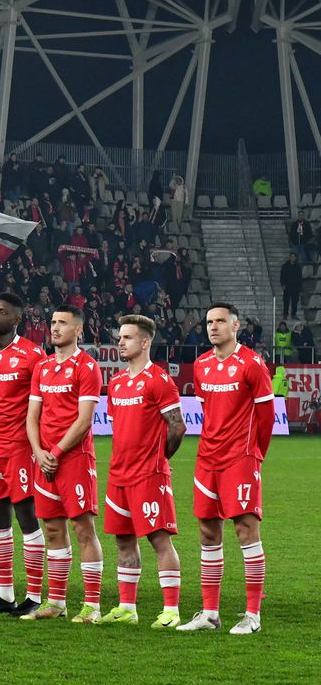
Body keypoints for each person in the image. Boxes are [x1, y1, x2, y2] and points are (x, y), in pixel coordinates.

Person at [178, 303, 274, 635]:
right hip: (207, 459)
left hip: (240, 458)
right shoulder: (202, 364)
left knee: (246, 531)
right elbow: (207, 411)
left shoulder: (252, 364)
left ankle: (253, 615)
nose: (213, 326)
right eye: (209, 321)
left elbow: (266, 418)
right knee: (207, 531)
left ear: (236, 326)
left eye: (220, 321)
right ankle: (209, 613)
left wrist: (254, 455)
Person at [98, 315, 186, 629]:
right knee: (123, 540)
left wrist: (158, 460)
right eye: (120, 337)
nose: (120, 342)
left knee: (160, 540)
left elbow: (177, 426)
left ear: (145, 342)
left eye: (127, 337)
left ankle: (172, 610)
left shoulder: (158, 380)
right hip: (118, 475)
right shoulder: (118, 383)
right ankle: (127, 607)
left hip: (149, 475)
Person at [23, 304, 105, 622]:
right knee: (53, 529)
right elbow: (32, 416)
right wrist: (38, 452)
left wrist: (54, 453)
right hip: (44, 460)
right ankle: (56, 603)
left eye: (62, 323)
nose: (55, 328)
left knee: (83, 529)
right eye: (53, 322)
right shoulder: (42, 368)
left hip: (74, 460)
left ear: (78, 330)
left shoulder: (87, 367)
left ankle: (93, 606)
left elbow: (84, 420)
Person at [0, 293, 48, 617]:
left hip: (20, 449)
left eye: (2, 312)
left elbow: (42, 405)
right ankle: (5, 595)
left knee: (27, 519)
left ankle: (33, 596)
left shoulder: (33, 355)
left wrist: (38, 447)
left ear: (16, 319)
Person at [280, 253, 302, 319]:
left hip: (295, 287)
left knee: (295, 301)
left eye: (294, 256)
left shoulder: (298, 267)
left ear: (295, 258)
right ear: (289, 257)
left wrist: (300, 288)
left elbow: (300, 278)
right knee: (286, 301)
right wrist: (283, 284)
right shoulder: (285, 266)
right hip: (287, 286)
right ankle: (285, 314)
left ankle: (294, 314)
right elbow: (282, 276)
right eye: (291, 256)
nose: (292, 258)